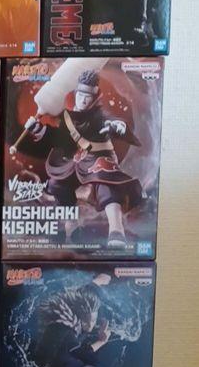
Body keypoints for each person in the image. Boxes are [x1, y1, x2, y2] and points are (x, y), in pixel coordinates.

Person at [16, 68, 142, 246]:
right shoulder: (68, 117)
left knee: (106, 185)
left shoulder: (99, 116)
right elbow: (60, 140)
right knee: (57, 184)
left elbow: (113, 121)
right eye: (80, 95)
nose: (82, 100)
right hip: (75, 162)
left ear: (94, 97)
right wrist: (38, 128)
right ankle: (72, 225)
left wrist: (116, 127)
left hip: (97, 159)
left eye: (87, 97)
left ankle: (116, 230)